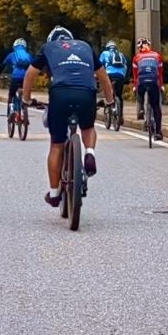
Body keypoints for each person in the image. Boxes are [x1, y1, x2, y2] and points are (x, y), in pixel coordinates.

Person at [21, 26, 114, 207]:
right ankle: (89, 153)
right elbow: (103, 76)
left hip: (60, 94)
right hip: (87, 93)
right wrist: (109, 101)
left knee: (56, 144)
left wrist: (27, 99)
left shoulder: (48, 48)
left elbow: (30, 73)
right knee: (87, 127)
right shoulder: (85, 47)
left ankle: (55, 193)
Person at [132, 37, 165, 140]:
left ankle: (141, 108)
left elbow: (135, 75)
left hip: (142, 81)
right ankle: (158, 132)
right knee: (156, 106)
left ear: (139, 48)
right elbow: (160, 73)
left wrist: (135, 86)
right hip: (154, 81)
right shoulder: (157, 56)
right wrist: (161, 85)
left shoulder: (137, 57)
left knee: (140, 92)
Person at [0, 38, 34, 110]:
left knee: (11, 94)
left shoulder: (12, 55)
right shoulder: (29, 55)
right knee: (26, 92)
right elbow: (35, 66)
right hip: (26, 78)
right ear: (25, 47)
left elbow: (3, 65)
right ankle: (24, 106)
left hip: (15, 77)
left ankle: (11, 108)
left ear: (14, 47)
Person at [99, 41, 129, 113]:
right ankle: (120, 116)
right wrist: (123, 76)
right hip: (120, 75)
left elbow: (99, 65)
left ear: (107, 48)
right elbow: (125, 66)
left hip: (109, 74)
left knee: (107, 88)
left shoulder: (104, 53)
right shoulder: (121, 54)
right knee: (119, 95)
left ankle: (107, 102)